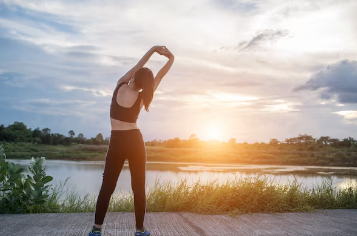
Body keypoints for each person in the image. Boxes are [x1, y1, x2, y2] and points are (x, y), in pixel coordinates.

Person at [88, 46, 174, 236]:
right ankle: (139, 230)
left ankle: (96, 230)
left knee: (107, 186)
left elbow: (139, 65)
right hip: (135, 141)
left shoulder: (120, 84)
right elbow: (159, 77)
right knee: (138, 187)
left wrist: (153, 51)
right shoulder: (144, 95)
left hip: (117, 141)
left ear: (135, 76)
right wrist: (171, 60)